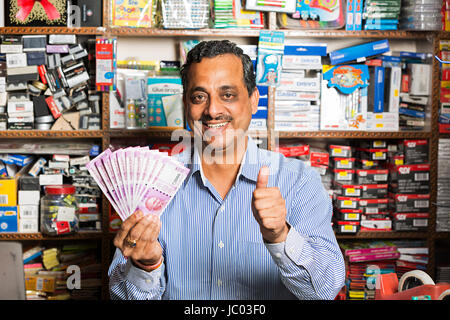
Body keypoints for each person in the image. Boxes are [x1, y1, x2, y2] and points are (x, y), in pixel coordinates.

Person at [108, 40, 345, 300]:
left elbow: (323, 291)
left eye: (228, 95)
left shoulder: (299, 181)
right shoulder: (151, 184)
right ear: (186, 105)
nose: (212, 110)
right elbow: (122, 296)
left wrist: (280, 236)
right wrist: (146, 265)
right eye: (199, 97)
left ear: (253, 100)